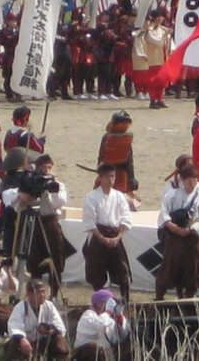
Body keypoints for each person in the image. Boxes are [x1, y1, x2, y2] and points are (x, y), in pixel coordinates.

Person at [155, 165, 199, 300]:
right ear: (182, 179)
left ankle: (193, 292)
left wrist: (190, 229)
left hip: (193, 237)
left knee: (196, 265)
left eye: (195, 179)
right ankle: (161, 294)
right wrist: (171, 225)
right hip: (175, 236)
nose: (192, 182)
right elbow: (164, 212)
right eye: (189, 179)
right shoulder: (172, 195)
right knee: (170, 264)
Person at [18, 155, 69, 300]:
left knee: (56, 258)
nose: (46, 171)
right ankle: (34, 292)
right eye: (43, 168)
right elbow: (23, 200)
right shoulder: (32, 182)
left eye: (49, 167)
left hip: (50, 222)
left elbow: (58, 202)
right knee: (35, 259)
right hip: (35, 222)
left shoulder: (57, 184)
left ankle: (54, 294)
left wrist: (48, 189)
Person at [82, 163, 133, 301]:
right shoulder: (91, 197)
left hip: (115, 234)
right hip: (99, 235)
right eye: (108, 176)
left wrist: (118, 237)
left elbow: (125, 218)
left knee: (123, 273)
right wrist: (102, 238)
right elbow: (89, 221)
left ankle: (125, 301)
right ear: (100, 178)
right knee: (96, 274)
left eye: (113, 176)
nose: (111, 179)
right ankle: (100, 301)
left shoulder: (120, 196)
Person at [5, 279, 69, 361]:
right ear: (29, 293)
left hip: (43, 342)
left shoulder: (49, 306)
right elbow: (14, 326)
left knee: (60, 339)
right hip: (27, 343)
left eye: (44, 292)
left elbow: (60, 327)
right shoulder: (20, 307)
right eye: (39, 292)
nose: (42, 295)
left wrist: (49, 329)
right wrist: (22, 339)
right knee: (14, 342)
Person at [73, 289, 130, 361]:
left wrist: (119, 316)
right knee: (92, 347)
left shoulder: (109, 318)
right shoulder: (88, 314)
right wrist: (108, 312)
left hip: (102, 353)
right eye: (106, 302)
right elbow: (100, 325)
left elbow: (122, 334)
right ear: (98, 304)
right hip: (86, 353)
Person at [97, 110, 137, 194]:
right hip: (108, 172)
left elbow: (129, 161)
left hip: (121, 173)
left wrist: (131, 178)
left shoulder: (125, 139)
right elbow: (101, 157)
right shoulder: (107, 138)